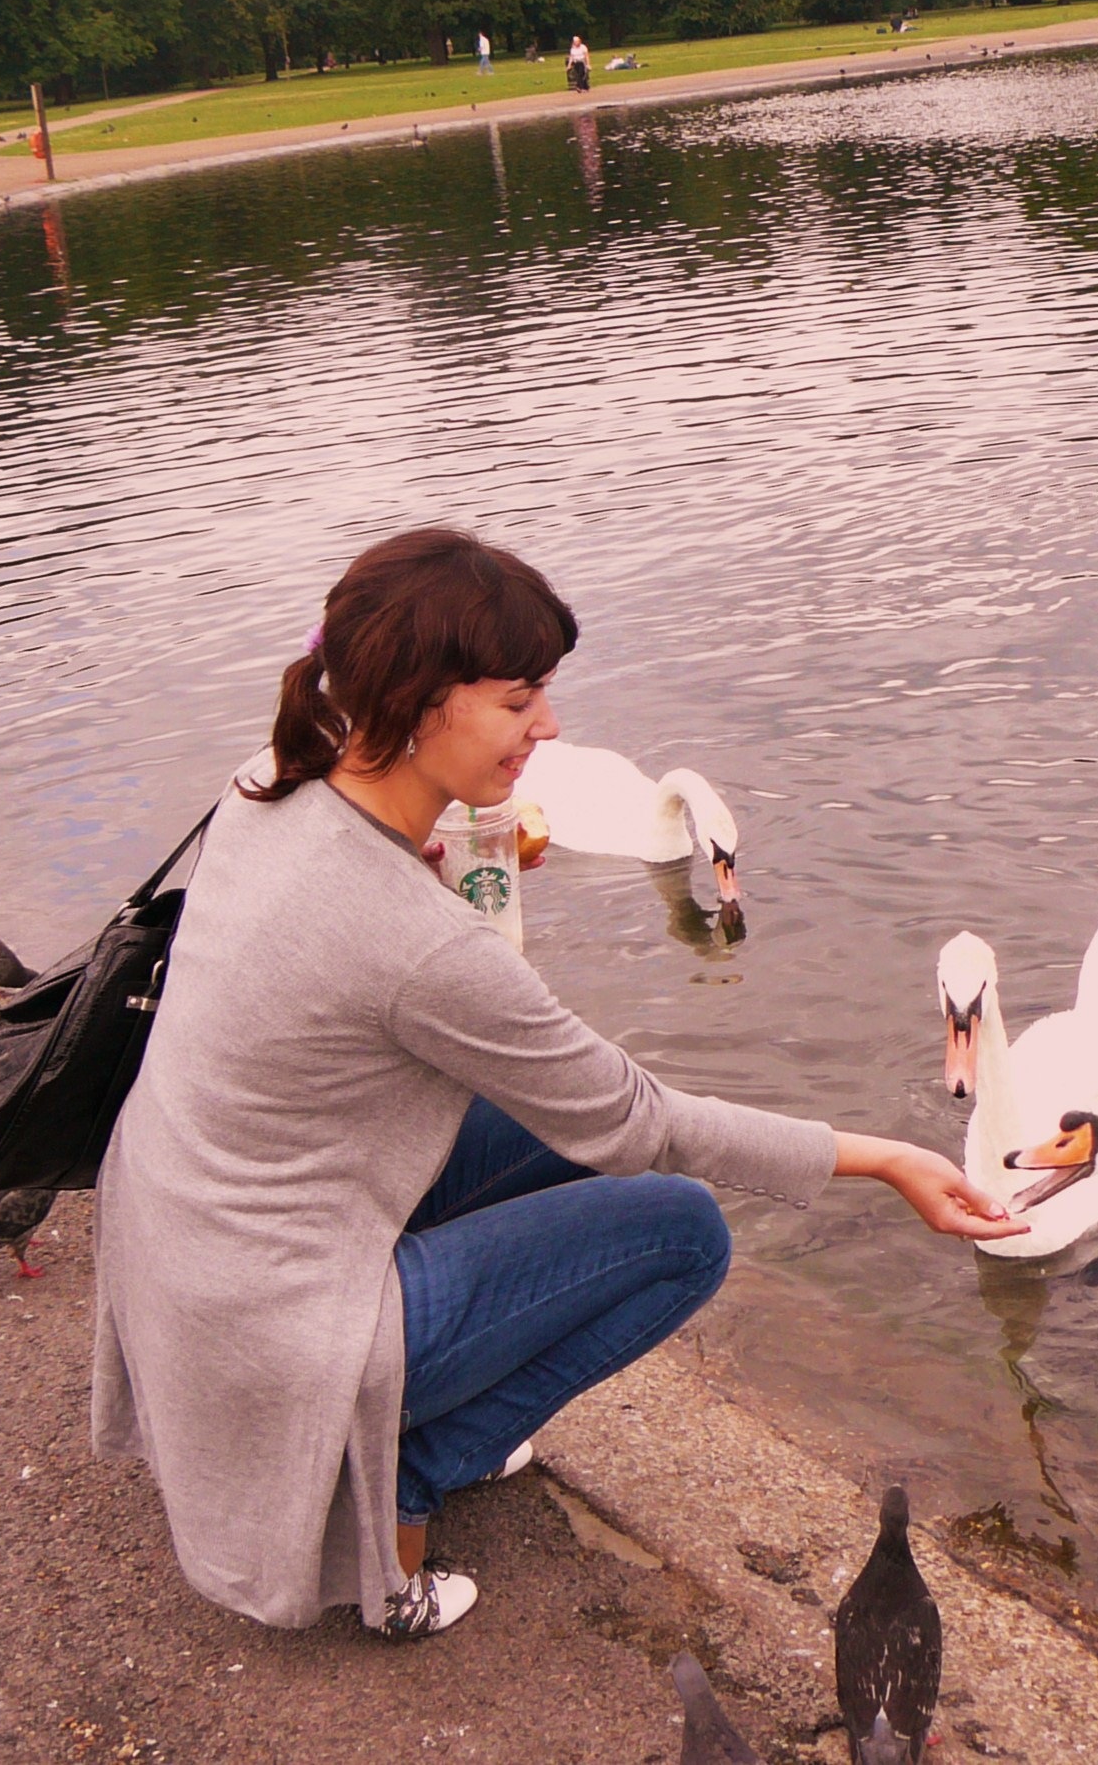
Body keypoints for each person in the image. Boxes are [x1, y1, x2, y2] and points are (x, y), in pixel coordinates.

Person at [91, 527, 1024, 1646]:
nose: (551, 726)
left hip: (186, 1252)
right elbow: (636, 1120)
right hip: (276, 1323)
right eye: (519, 700)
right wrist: (884, 1158)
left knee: (542, 1117)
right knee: (679, 1230)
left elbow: (358, 977)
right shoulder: (419, 944)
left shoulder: (266, 783)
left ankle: (413, 1407)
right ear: (419, 703)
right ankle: (407, 1482)